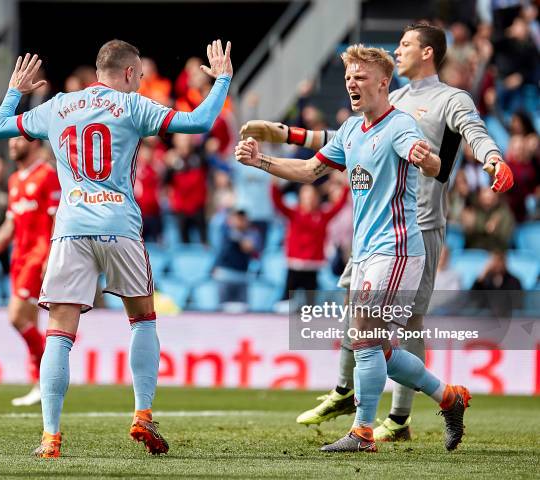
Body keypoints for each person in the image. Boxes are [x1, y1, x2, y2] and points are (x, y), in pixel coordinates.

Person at [240, 24, 513, 441]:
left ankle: (370, 425)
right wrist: (270, 152)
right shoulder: (365, 120)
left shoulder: (425, 111)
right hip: (368, 246)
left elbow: (448, 151)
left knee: (380, 329)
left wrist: (477, 159)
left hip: (407, 236)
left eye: (360, 77)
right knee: (373, 339)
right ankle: (446, 397)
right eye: (348, 77)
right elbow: (318, 163)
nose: (351, 83)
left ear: (423, 55)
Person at [0, 39, 232, 457]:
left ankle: (50, 437)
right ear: (127, 73)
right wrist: (223, 79)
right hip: (119, 226)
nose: (140, 83)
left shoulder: (59, 106)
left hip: (70, 231)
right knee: (143, 320)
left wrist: (16, 90)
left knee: (59, 334)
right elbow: (200, 122)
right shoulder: (133, 107)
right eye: (139, 76)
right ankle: (142, 414)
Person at [0, 137, 60, 406]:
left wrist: (51, 258)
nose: (11, 144)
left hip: (37, 256)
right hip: (19, 258)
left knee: (15, 316)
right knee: (30, 321)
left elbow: (57, 219)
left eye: (18, 139)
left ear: (33, 144)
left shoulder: (47, 175)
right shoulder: (14, 180)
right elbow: (10, 225)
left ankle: (47, 377)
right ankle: (42, 381)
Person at [271, 180, 348, 305]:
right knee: (286, 299)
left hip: (313, 265)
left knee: (310, 303)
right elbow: (277, 202)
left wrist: (345, 186)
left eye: (312, 196)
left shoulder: (323, 215)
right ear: (300, 197)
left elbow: (339, 206)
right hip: (294, 265)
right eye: (306, 196)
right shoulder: (293, 213)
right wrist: (273, 184)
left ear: (317, 198)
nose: (309, 200)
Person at [212, 209, 261, 309]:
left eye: (243, 220)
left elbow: (248, 247)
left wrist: (240, 237)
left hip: (242, 277)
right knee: (222, 310)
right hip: (225, 276)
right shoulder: (225, 231)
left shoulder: (252, 233)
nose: (240, 222)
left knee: (243, 311)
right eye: (237, 219)